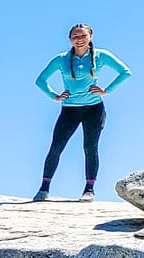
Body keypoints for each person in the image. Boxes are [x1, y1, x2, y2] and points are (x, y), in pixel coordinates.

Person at [32, 23, 130, 201]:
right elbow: (40, 80)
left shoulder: (100, 56)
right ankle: (44, 189)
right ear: (70, 39)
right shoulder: (61, 59)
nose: (79, 39)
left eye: (83, 35)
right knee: (56, 148)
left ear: (90, 36)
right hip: (69, 110)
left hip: (94, 109)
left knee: (90, 148)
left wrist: (106, 90)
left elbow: (125, 72)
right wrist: (54, 96)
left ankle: (89, 190)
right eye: (75, 36)